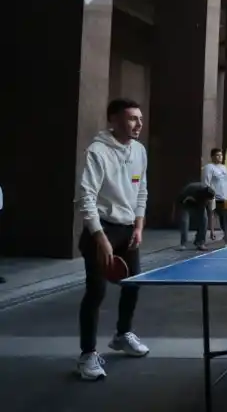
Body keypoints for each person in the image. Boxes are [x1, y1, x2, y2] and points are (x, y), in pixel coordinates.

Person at [75, 98, 150, 380]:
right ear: (114, 121)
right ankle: (87, 355)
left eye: (140, 119)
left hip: (129, 228)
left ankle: (122, 334)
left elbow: (141, 190)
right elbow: (87, 197)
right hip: (101, 230)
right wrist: (100, 237)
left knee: (134, 283)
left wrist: (139, 225)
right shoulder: (97, 151)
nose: (138, 124)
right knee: (96, 292)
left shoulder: (139, 151)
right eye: (132, 119)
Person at [202, 148, 227, 241]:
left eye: (221, 155)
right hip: (214, 197)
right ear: (212, 157)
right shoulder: (209, 167)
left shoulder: (225, 168)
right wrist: (208, 194)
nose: (220, 157)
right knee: (216, 215)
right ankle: (217, 233)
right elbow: (206, 182)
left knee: (225, 215)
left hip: (224, 197)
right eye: (218, 155)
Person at [174, 182, 216, 251]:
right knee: (184, 221)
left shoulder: (211, 198)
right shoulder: (191, 189)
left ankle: (200, 242)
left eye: (208, 200)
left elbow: (211, 214)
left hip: (199, 203)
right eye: (206, 200)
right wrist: (173, 214)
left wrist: (212, 231)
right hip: (186, 202)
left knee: (204, 220)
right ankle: (183, 244)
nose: (208, 201)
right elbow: (178, 202)